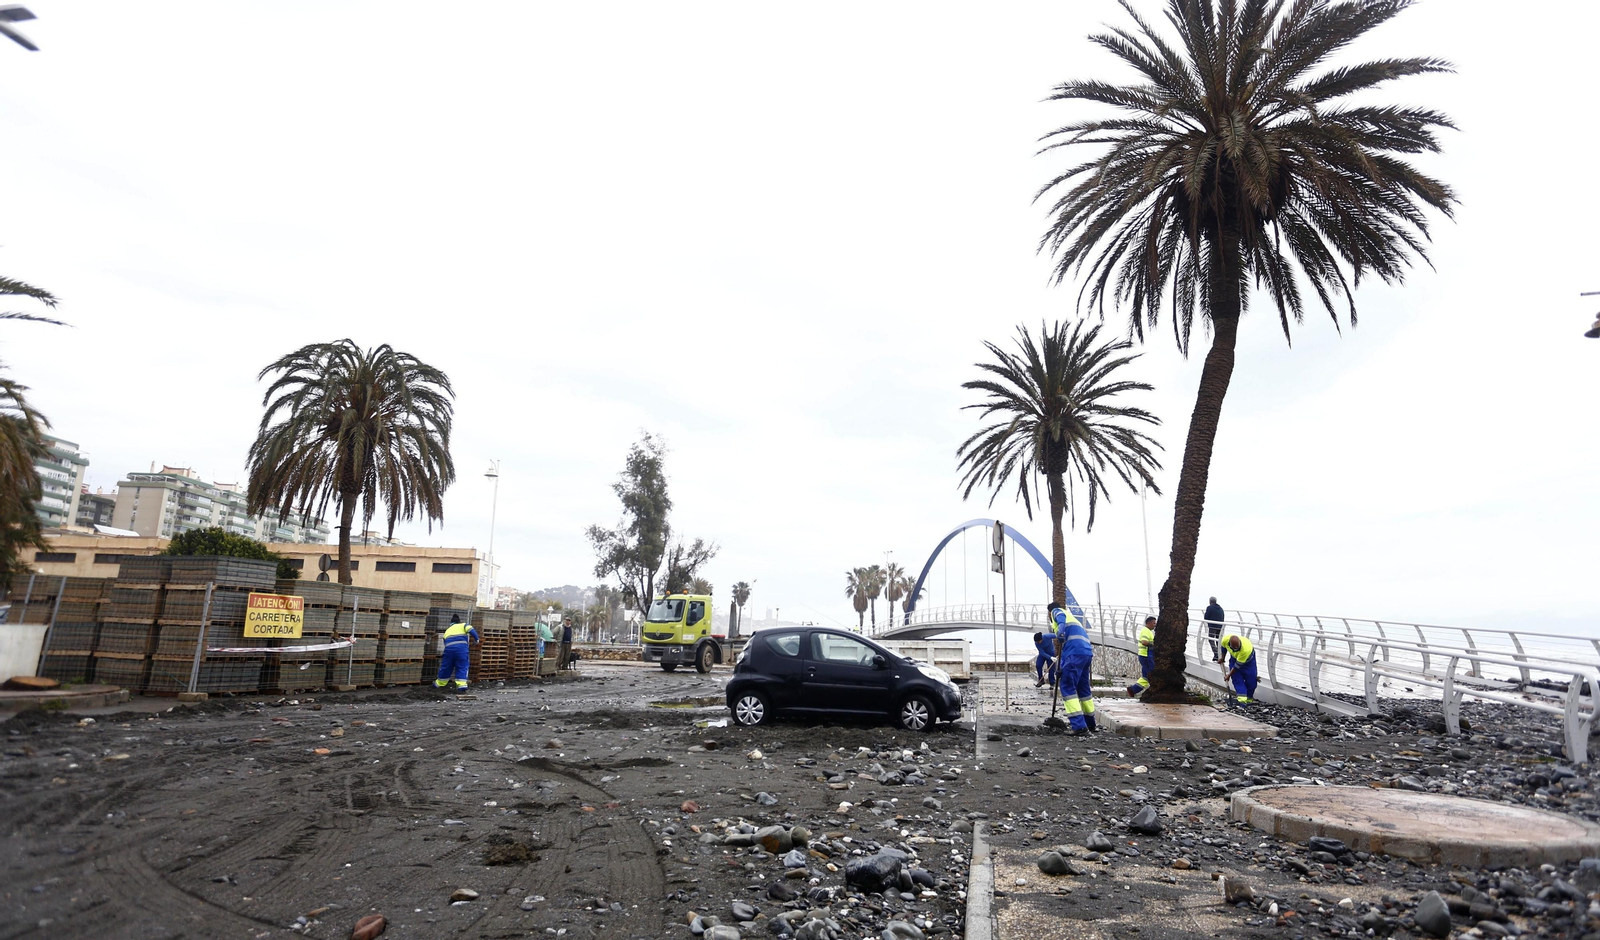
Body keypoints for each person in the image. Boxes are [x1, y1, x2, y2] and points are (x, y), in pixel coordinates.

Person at [1050, 603, 1097, 735]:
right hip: (1086, 653)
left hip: (1075, 654)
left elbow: (1059, 617)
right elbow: (1067, 648)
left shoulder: (1056, 611)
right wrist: (1061, 666)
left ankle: (1079, 726)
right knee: (1083, 689)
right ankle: (1090, 724)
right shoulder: (1074, 620)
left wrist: (1060, 630)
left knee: (1067, 687)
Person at [435, 616, 479, 692]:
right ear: (459, 621)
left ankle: (438, 684)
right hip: (461, 650)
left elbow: (445, 642)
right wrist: (476, 639)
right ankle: (461, 685)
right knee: (462, 666)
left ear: (451, 623)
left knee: (446, 666)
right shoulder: (463, 625)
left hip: (448, 651)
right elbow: (471, 630)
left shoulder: (447, 630)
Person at [1221, 634, 1258, 704]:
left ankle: (1249, 700)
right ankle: (1242, 702)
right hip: (1234, 659)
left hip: (1249, 662)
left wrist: (1228, 675)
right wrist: (1222, 658)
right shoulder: (1225, 640)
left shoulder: (1245, 650)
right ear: (1230, 644)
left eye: (1237, 647)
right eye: (1234, 647)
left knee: (1251, 681)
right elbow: (1223, 648)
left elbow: (1237, 667)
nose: (1236, 648)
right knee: (1237, 680)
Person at [1127, 616, 1156, 696]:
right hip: (1146, 655)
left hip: (1145, 656)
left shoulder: (1148, 631)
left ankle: (1133, 690)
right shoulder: (1145, 631)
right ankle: (1133, 690)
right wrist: (1155, 645)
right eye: (1154, 623)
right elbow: (1144, 642)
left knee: (1146, 676)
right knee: (1152, 674)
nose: (1155, 625)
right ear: (1148, 623)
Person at [1204, 596, 1226, 663]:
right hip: (1220, 627)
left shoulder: (1209, 608)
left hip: (1212, 626)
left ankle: (1216, 654)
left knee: (1211, 639)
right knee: (1218, 641)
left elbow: (1206, 617)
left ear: (1210, 601)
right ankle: (1220, 654)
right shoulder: (1221, 608)